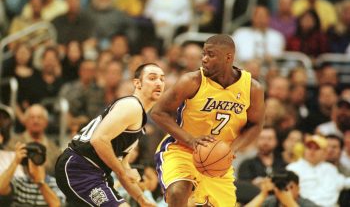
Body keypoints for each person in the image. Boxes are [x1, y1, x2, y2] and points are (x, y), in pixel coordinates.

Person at [151, 34, 265, 206]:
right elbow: (158, 112)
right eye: (203, 54)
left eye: (210, 55)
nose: (204, 59)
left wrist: (231, 149)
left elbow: (256, 125)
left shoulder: (252, 88)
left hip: (218, 159)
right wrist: (191, 140)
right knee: (178, 191)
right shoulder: (192, 81)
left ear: (228, 57)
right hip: (182, 149)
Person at [55, 63, 165, 207]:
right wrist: (125, 173)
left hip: (95, 172)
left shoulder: (138, 120)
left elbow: (123, 167)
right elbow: (98, 140)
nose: (159, 83)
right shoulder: (132, 106)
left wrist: (141, 198)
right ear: (137, 83)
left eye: (162, 79)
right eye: (152, 78)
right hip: (79, 167)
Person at [0, 142, 65, 206]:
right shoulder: (19, 183)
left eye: (38, 158)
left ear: (44, 161)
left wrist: (40, 182)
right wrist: (15, 161)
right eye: (30, 159)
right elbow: (1, 188)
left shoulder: (55, 183)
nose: (34, 163)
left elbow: (57, 205)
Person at [245, 170, 319, 207]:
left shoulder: (307, 204)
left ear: (298, 189)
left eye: (291, 187)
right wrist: (263, 194)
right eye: (283, 185)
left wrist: (291, 203)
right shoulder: (271, 202)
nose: (287, 190)